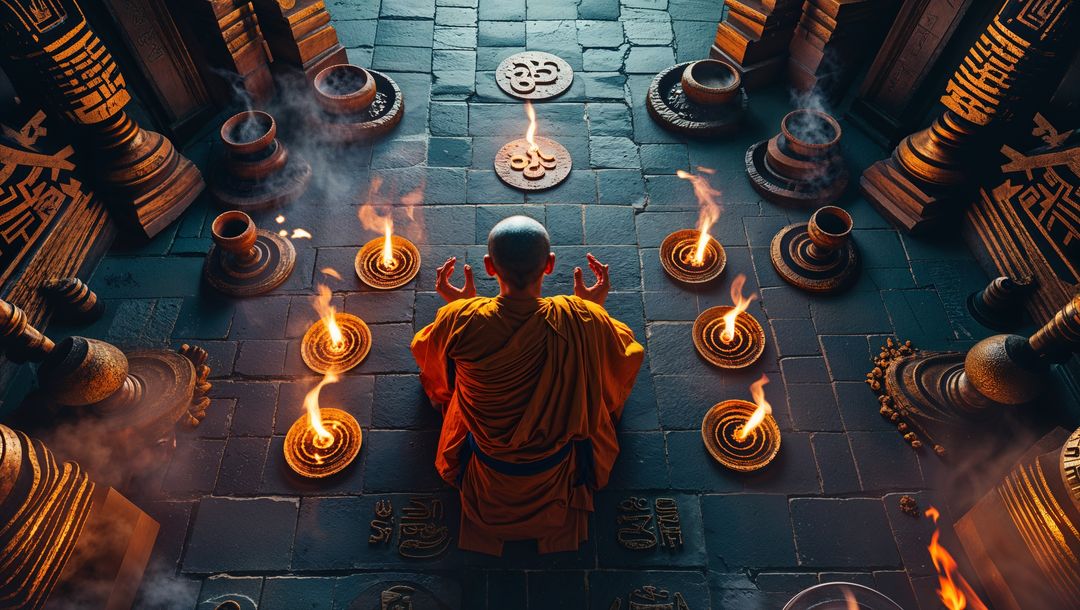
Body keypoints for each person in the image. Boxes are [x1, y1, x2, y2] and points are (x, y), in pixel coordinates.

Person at [411, 216, 644, 556]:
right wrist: (594, 309)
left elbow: (430, 363)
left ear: (490, 266)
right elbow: (625, 359)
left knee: (457, 392)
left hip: (485, 465)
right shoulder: (582, 318)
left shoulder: (460, 319)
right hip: (559, 466)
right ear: (550, 265)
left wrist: (457, 308)